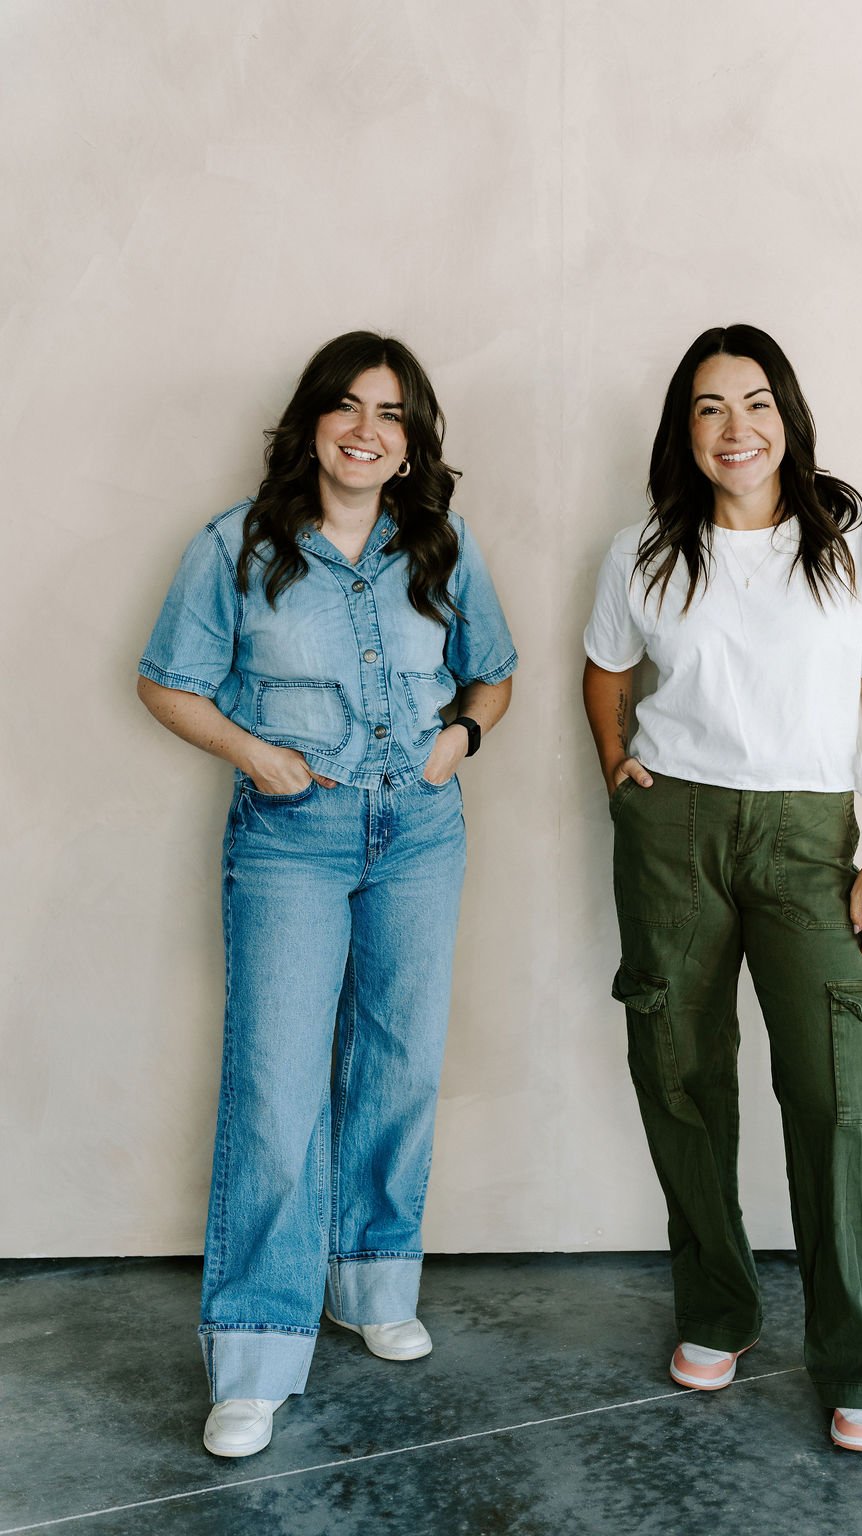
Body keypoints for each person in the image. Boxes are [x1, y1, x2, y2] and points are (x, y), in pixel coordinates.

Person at [138, 331, 516, 1458]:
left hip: (422, 833)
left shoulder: (442, 543)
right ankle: (255, 1352)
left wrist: (459, 739)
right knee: (275, 1086)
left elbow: (493, 675)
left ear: (412, 441)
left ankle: (371, 1282)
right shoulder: (236, 545)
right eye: (347, 406)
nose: (366, 430)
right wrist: (256, 756)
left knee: (401, 1062)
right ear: (311, 423)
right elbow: (166, 683)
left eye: (391, 414)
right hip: (291, 840)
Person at [582, 324, 862, 1453]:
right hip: (673, 830)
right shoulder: (646, 548)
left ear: (786, 415)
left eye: (753, 403)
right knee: (678, 1071)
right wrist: (618, 769)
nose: (734, 429)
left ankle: (861, 1358)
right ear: (682, 430)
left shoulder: (856, 540)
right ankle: (717, 1308)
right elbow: (605, 667)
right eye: (708, 408)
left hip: (805, 835)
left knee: (833, 1097)